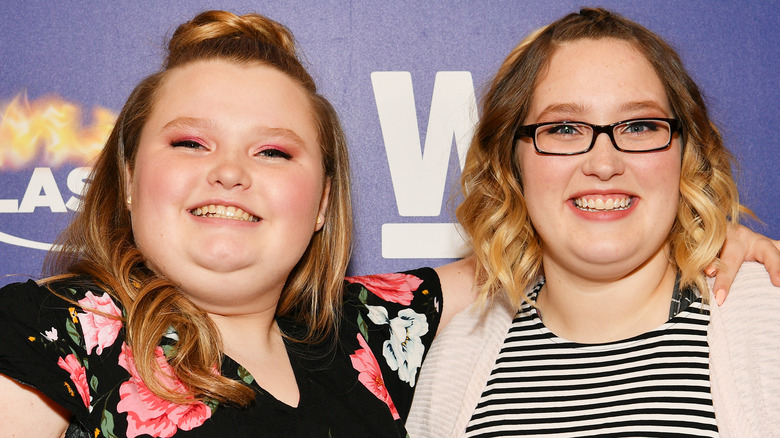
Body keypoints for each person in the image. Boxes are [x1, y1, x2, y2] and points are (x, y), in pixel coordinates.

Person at [0, 10, 444, 437]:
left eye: (273, 152)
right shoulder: (51, 327)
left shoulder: (366, 332)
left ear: (323, 202)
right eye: (191, 143)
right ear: (130, 179)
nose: (230, 172)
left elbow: (504, 249)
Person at [407, 8, 780, 437]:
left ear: (685, 153)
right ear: (512, 164)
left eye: (640, 125)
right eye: (564, 128)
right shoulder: (454, 363)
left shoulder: (767, 319)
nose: (604, 163)